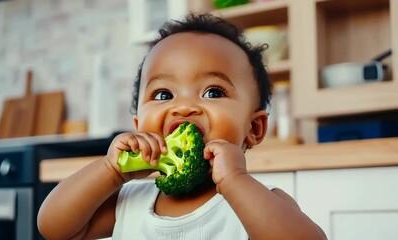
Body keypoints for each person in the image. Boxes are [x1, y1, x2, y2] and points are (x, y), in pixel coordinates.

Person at [37, 13, 327, 239]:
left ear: (255, 128)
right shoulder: (128, 202)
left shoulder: (261, 202)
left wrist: (235, 179)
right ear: (138, 126)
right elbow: (53, 228)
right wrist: (110, 171)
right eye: (163, 95)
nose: (184, 107)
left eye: (213, 92)